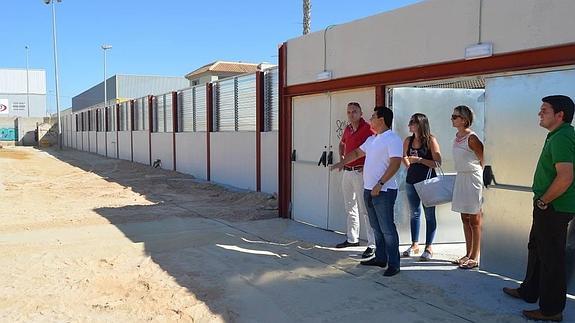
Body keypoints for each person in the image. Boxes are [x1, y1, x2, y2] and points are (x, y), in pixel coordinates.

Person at [503, 95, 575, 322]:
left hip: (554, 206)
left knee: (551, 258)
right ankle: (529, 290)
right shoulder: (555, 135)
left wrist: (544, 201)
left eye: (544, 110)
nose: (539, 114)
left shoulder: (562, 137)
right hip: (548, 205)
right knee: (536, 247)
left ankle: (551, 310)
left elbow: (565, 177)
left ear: (560, 115)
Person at [331, 106, 403, 277]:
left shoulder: (392, 139)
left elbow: (395, 163)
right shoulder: (373, 139)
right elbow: (356, 152)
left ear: (382, 119)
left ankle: (394, 263)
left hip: (384, 190)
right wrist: (342, 163)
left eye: (373, 117)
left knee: (387, 229)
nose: (370, 119)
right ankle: (380, 257)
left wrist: (381, 183)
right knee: (376, 228)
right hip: (369, 189)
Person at [335, 102, 377, 259]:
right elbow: (342, 144)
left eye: (354, 112)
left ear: (360, 113)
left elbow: (374, 148)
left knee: (366, 209)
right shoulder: (347, 128)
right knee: (350, 207)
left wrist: (367, 166)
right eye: (349, 112)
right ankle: (352, 239)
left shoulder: (368, 129)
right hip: (347, 172)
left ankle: (372, 244)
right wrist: (342, 158)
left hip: (360, 173)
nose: (351, 114)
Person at [401, 113, 442, 261]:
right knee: (414, 213)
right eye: (410, 121)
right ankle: (414, 244)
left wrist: (419, 160)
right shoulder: (408, 140)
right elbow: (404, 156)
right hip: (411, 181)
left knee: (429, 214)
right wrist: (408, 165)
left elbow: (438, 162)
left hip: (427, 182)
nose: (410, 124)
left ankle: (429, 246)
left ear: (421, 124)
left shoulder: (430, 140)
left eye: (413, 122)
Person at [450, 105, 483, 270]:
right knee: (465, 218)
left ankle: (475, 256)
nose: (452, 119)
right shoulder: (457, 137)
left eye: (455, 116)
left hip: (473, 177)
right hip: (461, 176)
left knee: (475, 219)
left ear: (464, 119)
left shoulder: (472, 138)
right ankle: (468, 252)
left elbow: (483, 158)